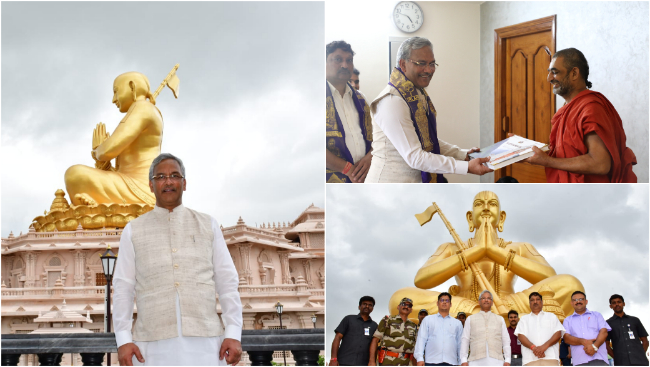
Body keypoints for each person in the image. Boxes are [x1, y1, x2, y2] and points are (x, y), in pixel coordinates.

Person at [113, 153, 243, 366]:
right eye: (161, 177)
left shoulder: (207, 225)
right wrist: (123, 339)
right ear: (151, 185)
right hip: (151, 345)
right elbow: (123, 289)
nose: (168, 181)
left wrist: (233, 331)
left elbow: (227, 282)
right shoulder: (133, 230)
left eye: (174, 175)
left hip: (206, 343)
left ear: (184, 183)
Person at [390, 191, 584, 319]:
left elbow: (550, 279)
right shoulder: (451, 247)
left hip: (510, 304)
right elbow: (421, 280)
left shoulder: (521, 246)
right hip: (462, 307)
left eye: (492, 204)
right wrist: (476, 251)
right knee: (399, 298)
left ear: (501, 217)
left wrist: (494, 251)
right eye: (479, 204)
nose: (485, 208)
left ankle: (504, 318)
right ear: (469, 217)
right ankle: (492, 318)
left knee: (570, 284)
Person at [366, 36, 491, 183]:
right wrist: (466, 167)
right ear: (403, 64)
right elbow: (415, 157)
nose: (429, 70)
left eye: (432, 64)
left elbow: (426, 140)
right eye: (421, 63)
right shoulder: (392, 101)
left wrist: (462, 154)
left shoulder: (416, 93)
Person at [524, 48, 637, 183]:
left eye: (554, 72)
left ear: (574, 73)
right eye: (549, 73)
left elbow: (600, 164)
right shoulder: (568, 107)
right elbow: (568, 153)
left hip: (591, 197)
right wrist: (525, 150)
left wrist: (548, 161)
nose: (549, 79)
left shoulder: (591, 107)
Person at [65, 72, 163, 206]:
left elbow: (106, 151)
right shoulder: (142, 110)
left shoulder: (143, 108)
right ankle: (97, 208)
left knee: (74, 174)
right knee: (76, 175)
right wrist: (103, 165)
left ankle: (97, 209)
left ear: (132, 87)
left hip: (140, 188)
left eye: (116, 92)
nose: (114, 99)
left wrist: (97, 150)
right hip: (127, 183)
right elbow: (118, 168)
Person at [326, 40, 373, 183]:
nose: (345, 65)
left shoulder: (361, 99)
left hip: (365, 177)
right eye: (338, 59)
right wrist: (347, 169)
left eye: (349, 60)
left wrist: (371, 156)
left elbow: (378, 137)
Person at [460, 290, 511, 366]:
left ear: (492, 302)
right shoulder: (470, 319)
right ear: (479, 302)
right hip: (475, 361)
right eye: (483, 298)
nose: (486, 300)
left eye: (489, 298)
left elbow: (506, 340)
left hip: (496, 361)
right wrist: (463, 360)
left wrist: (507, 360)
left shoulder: (500, 319)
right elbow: (465, 340)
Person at [514, 292, 565, 366]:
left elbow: (558, 334)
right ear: (529, 303)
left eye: (537, 299)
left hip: (550, 358)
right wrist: (534, 348)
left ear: (542, 302)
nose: (535, 302)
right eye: (532, 300)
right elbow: (521, 336)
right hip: (530, 359)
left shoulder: (551, 316)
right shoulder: (524, 319)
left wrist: (544, 347)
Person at [562, 291, 611, 366]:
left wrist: (594, 347)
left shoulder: (596, 315)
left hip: (599, 359)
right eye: (575, 300)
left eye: (581, 299)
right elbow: (566, 338)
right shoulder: (567, 320)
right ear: (571, 303)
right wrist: (584, 342)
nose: (578, 301)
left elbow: (604, 332)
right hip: (579, 361)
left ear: (586, 301)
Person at [414, 292, 463, 366]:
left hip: (451, 362)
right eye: (442, 300)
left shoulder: (457, 323)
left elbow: (460, 344)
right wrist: (419, 358)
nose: (444, 302)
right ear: (437, 303)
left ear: (451, 304)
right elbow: (421, 339)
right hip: (431, 361)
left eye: (447, 301)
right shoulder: (428, 320)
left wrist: (461, 361)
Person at [331, 296, 379, 366]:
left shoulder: (374, 326)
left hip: (363, 364)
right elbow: (337, 338)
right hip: (343, 362)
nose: (367, 306)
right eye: (364, 304)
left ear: (372, 309)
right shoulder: (348, 319)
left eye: (370, 305)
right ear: (359, 307)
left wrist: (372, 362)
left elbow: (374, 345)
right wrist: (333, 359)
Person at [370, 298, 418, 366]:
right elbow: (375, 340)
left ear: (411, 310)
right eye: (403, 304)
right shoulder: (387, 320)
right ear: (398, 307)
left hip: (406, 363)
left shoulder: (413, 326)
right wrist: (371, 361)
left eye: (409, 306)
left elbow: (415, 347)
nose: (406, 307)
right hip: (387, 362)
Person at [605, 294, 649, 365]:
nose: (617, 304)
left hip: (641, 362)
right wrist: (616, 357)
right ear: (611, 306)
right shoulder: (607, 323)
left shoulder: (635, 320)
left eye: (619, 302)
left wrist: (641, 354)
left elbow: (645, 341)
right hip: (621, 362)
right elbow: (606, 345)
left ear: (623, 304)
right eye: (614, 303)